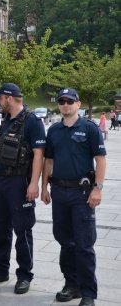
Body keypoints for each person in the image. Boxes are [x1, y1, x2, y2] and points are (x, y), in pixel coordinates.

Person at [41, 88, 106, 306]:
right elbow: (48, 161)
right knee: (65, 242)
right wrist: (43, 188)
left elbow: (100, 159)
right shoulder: (54, 130)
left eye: (70, 101)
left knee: (84, 245)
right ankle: (71, 285)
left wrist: (98, 188)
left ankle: (88, 293)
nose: (66, 105)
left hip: (82, 194)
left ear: (78, 104)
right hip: (59, 192)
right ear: (59, 105)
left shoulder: (89, 128)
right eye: (62, 101)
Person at [0, 82, 46, 295]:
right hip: (0, 182)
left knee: (22, 229)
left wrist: (33, 183)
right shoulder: (6, 121)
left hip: (19, 183)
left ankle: (24, 274)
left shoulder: (32, 121)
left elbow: (39, 154)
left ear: (9, 98)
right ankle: (0, 269)